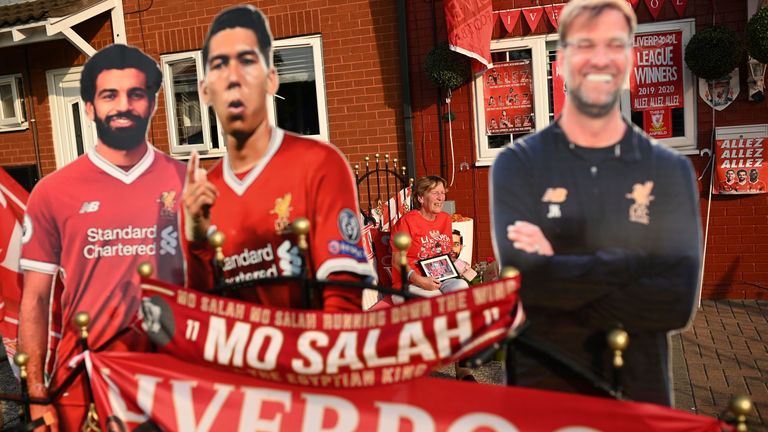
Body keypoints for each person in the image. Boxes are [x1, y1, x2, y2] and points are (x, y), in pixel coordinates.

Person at [490, 0, 701, 406]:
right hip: (543, 382)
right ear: (563, 62)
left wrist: (559, 276)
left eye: (614, 45)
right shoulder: (517, 165)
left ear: (629, 61)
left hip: (636, 387)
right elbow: (526, 285)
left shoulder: (668, 171)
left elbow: (676, 301)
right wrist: (631, 263)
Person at [19, 44, 186, 429]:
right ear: (90, 107)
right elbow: (37, 298)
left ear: (152, 104)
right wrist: (36, 394)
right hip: (83, 378)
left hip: (171, 377)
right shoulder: (52, 191)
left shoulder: (189, 183)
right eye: (109, 95)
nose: (123, 105)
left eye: (136, 94)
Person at [182, 5, 375, 311]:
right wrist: (196, 239)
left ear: (271, 79)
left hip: (308, 353)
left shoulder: (319, 163)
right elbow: (203, 313)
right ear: (205, 90)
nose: (234, 78)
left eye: (246, 62)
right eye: (219, 65)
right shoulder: (206, 195)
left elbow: (343, 290)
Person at [390, 176, 468, 297]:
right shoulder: (407, 222)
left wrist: (460, 265)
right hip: (411, 282)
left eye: (442, 193)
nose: (441, 197)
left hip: (441, 278)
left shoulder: (445, 218)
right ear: (421, 198)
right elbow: (396, 261)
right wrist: (420, 280)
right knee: (434, 298)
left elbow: (442, 253)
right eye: (435, 193)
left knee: (462, 287)